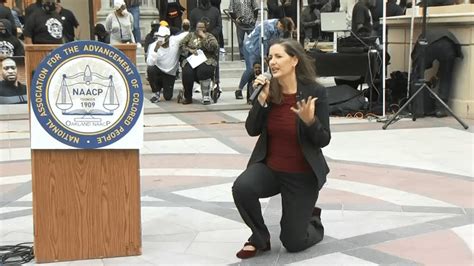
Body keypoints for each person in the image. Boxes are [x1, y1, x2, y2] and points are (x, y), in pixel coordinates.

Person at [232, 39, 330, 259]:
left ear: (294, 60)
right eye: (270, 57)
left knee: (293, 242)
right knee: (242, 187)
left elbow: (324, 139)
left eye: (278, 57)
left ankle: (312, 219)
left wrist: (310, 121)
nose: (272, 62)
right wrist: (262, 101)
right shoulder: (269, 89)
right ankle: (259, 237)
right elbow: (251, 129)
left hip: (302, 176)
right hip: (272, 169)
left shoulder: (315, 92)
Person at [236, 17, 294, 100]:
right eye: (283, 29)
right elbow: (262, 42)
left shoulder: (280, 29)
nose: (283, 31)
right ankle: (239, 89)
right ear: (280, 25)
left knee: (265, 69)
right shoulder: (268, 27)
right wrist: (264, 56)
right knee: (251, 69)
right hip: (251, 46)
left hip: (265, 48)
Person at [411, 28, 463, 118]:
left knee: (417, 76)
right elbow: (443, 68)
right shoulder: (429, 35)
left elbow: (416, 63)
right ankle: (440, 109)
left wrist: (418, 70)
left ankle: (418, 109)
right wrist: (436, 76)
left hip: (431, 45)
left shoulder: (420, 42)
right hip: (449, 45)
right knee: (446, 77)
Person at [179, 18, 218, 105]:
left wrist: (204, 37)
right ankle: (188, 97)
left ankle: (205, 96)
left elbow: (214, 47)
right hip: (193, 58)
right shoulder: (190, 35)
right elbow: (181, 44)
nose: (199, 29)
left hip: (206, 58)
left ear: (205, 28)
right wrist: (189, 50)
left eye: (201, 27)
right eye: (198, 27)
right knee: (187, 72)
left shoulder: (209, 36)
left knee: (204, 70)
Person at [146, 25, 188, 102]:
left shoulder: (174, 40)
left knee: (168, 97)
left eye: (163, 37)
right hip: (158, 70)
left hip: (170, 73)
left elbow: (186, 34)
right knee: (150, 69)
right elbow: (150, 63)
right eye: (159, 36)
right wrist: (155, 50)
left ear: (168, 37)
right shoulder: (153, 46)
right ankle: (156, 93)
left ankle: (164, 85)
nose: (160, 39)